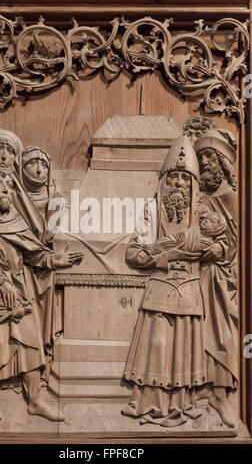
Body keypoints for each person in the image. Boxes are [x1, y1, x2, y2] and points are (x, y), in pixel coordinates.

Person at [0, 167, 83, 421]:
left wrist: (58, 259)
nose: (5, 191)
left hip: (21, 286)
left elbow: (32, 252)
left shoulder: (12, 214)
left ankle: (34, 400)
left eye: (7, 187)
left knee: (32, 345)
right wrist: (2, 283)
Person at [122, 135, 207, 427]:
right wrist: (167, 257)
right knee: (157, 347)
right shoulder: (152, 211)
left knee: (183, 352)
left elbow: (221, 247)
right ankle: (152, 405)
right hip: (159, 289)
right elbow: (134, 253)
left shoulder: (203, 213)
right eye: (174, 177)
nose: (179, 184)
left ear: (193, 184)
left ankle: (181, 405)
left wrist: (191, 249)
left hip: (190, 292)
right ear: (165, 180)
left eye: (185, 178)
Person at [194, 128, 238, 428]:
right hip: (195, 273)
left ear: (223, 162)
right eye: (202, 157)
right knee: (193, 331)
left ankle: (220, 394)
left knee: (221, 331)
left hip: (220, 277)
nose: (206, 162)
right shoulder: (197, 197)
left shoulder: (230, 196)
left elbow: (236, 242)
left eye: (211, 156)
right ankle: (198, 390)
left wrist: (219, 248)